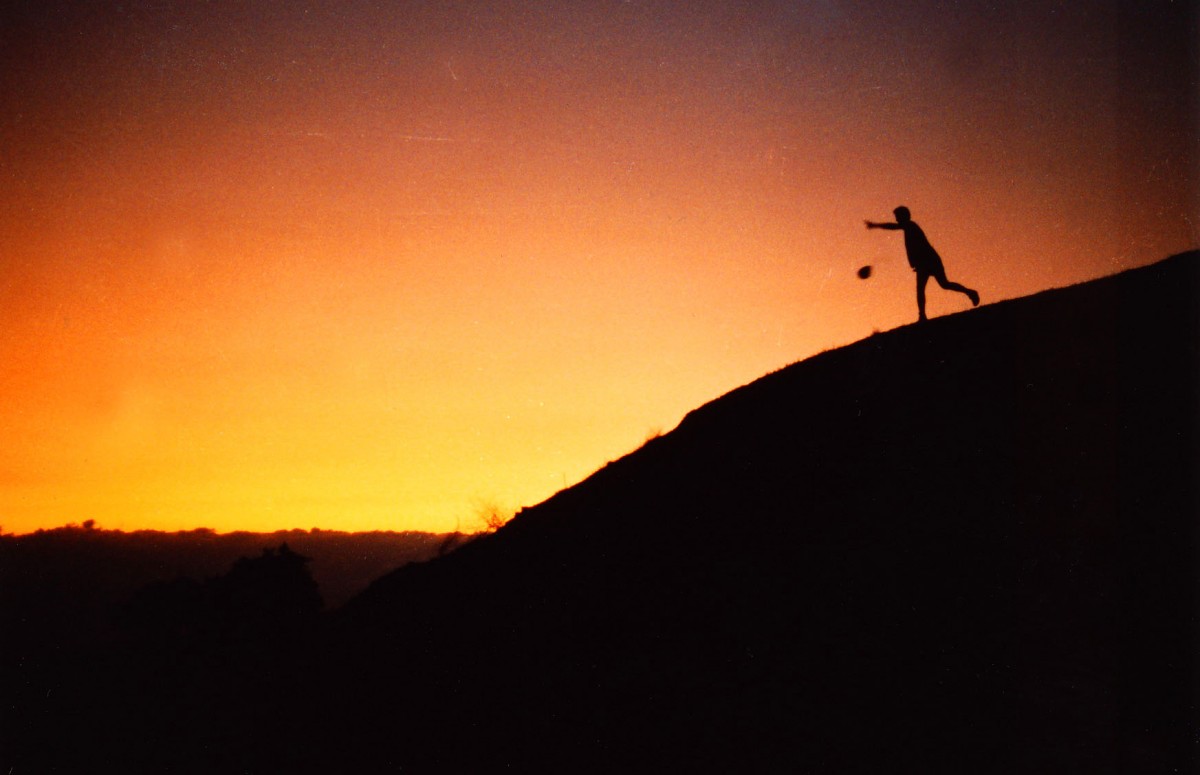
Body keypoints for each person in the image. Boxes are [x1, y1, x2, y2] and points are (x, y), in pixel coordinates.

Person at [866, 206, 980, 321]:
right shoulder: (909, 228)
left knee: (937, 286)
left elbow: (893, 227)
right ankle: (924, 314)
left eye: (897, 217)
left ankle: (924, 315)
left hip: (929, 260)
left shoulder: (910, 225)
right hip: (926, 261)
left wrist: (875, 225)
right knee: (938, 285)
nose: (896, 219)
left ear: (903, 216)